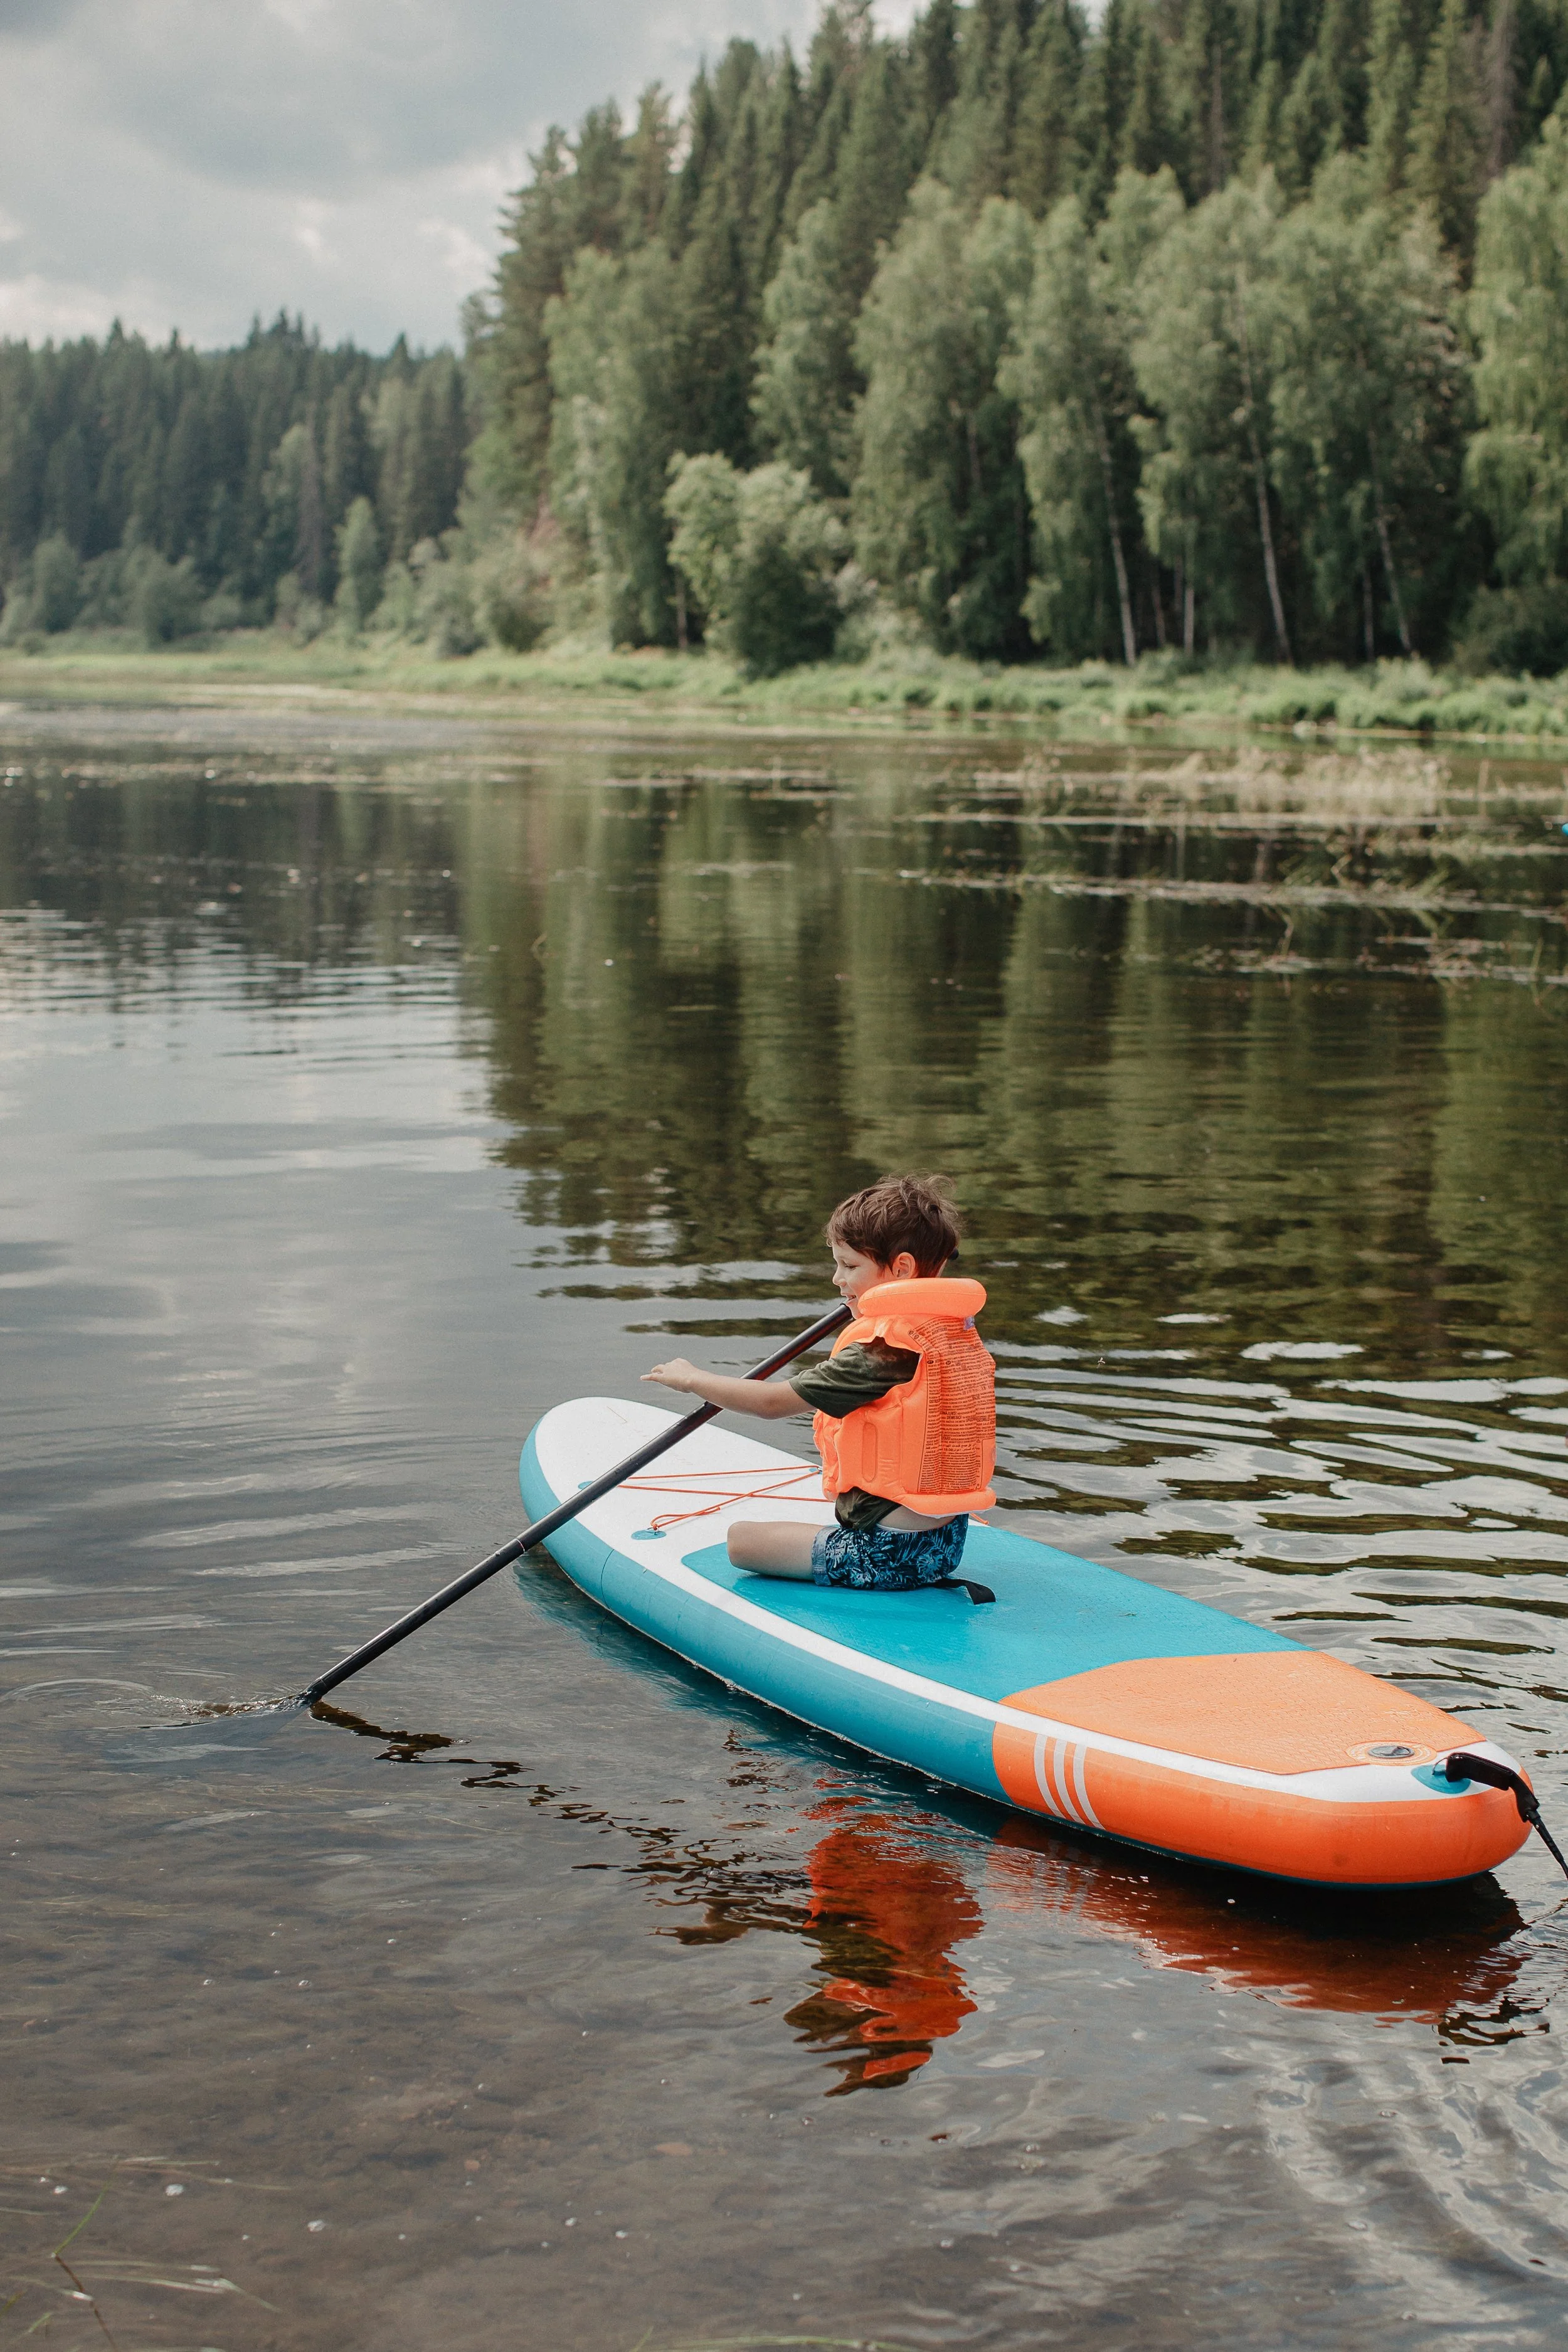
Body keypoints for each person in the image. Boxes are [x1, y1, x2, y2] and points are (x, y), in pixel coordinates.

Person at [643, 1175, 995, 1591]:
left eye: (849, 1266)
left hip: (886, 1554)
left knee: (741, 1541)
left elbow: (771, 1404)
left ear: (901, 1268)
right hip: (947, 1541)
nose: (837, 1279)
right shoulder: (949, 1331)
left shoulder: (884, 1352)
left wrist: (694, 1379)